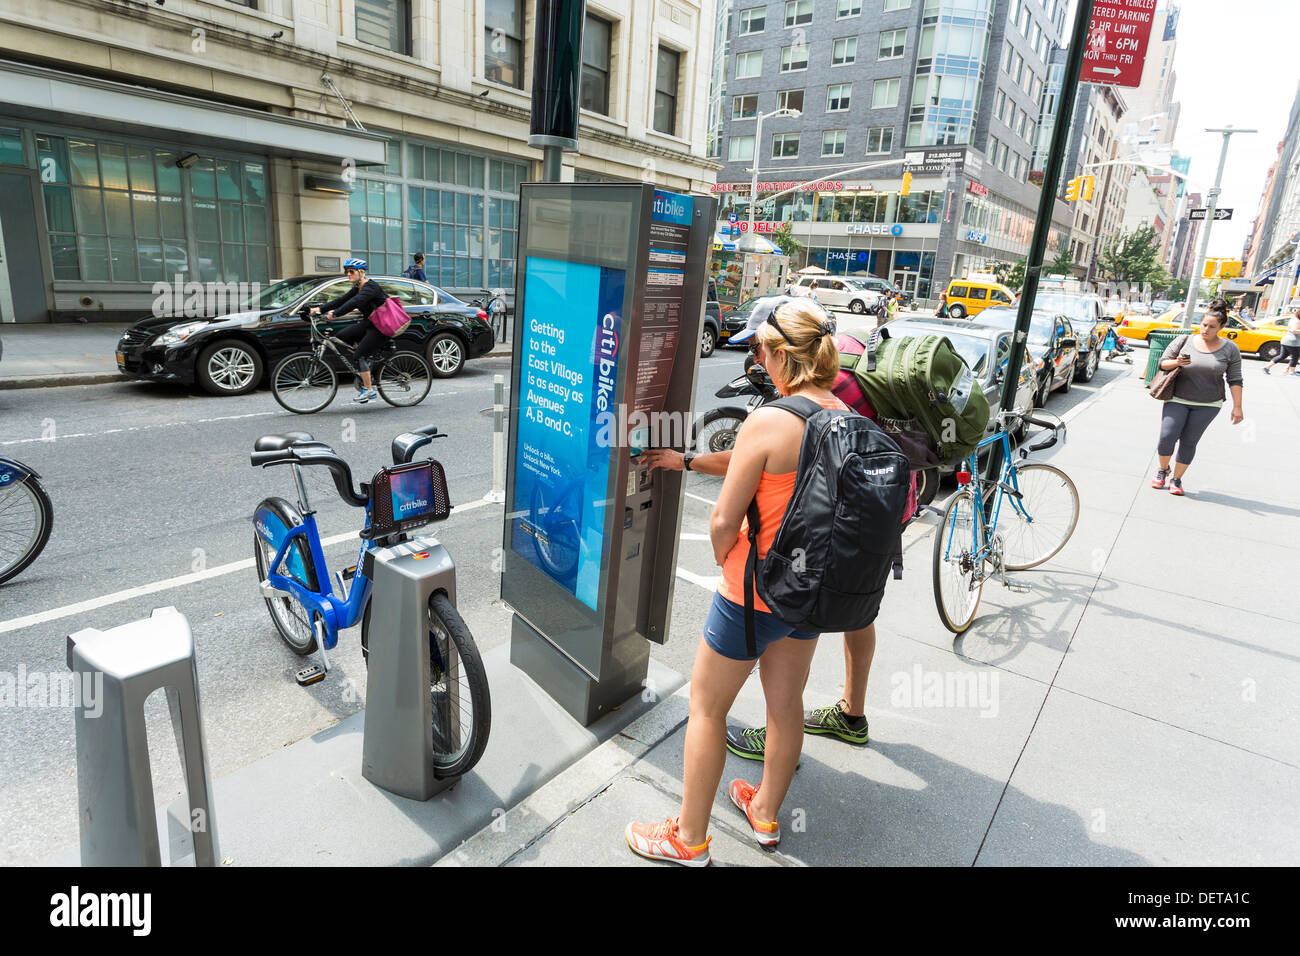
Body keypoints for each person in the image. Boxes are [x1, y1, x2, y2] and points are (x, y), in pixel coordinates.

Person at [625, 298, 847, 866]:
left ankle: (689, 839)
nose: (756, 358)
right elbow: (764, 463)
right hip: (808, 590)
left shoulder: (770, 419)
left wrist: (729, 562)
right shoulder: (842, 415)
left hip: (752, 592)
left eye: (757, 349)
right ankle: (767, 813)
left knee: (706, 709)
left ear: (778, 354)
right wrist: (689, 460)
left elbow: (724, 520)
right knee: (786, 704)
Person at [1150, 299, 1244, 496]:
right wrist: (1177, 362)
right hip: (1177, 398)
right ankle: (1162, 470)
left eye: (1211, 327)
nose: (1206, 330)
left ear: (1221, 327)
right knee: (1167, 436)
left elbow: (1235, 379)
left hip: (1209, 404)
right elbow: (1162, 364)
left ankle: (1176, 479)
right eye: (1203, 325)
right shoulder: (1184, 341)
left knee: (1189, 441)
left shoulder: (1230, 349)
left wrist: (1238, 407)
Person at [310, 257, 389, 404]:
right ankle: (366, 363)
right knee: (341, 336)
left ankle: (369, 390)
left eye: (351, 272)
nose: (348, 275)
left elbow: (354, 303)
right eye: (346, 272)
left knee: (359, 354)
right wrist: (319, 309)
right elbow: (342, 299)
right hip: (370, 323)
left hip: (381, 326)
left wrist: (335, 313)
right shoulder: (358, 287)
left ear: (362, 272)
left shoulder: (370, 287)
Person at [1263, 306, 1300, 375]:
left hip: (1287, 341)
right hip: (1293, 342)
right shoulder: (1297, 321)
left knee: (1282, 356)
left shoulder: (1293, 319)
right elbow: (1294, 330)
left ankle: (1267, 367)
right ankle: (1291, 372)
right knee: (1295, 356)